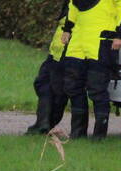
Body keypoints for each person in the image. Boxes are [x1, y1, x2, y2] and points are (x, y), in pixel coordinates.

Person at [59, 0, 121, 139]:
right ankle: (78, 134)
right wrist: (67, 29)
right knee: (72, 86)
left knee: (97, 89)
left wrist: (120, 34)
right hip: (78, 42)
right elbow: (73, 6)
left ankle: (99, 136)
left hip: (100, 41)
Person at [27, 1, 73, 135]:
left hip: (66, 52)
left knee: (58, 91)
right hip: (57, 51)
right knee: (43, 83)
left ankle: (47, 124)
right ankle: (43, 123)